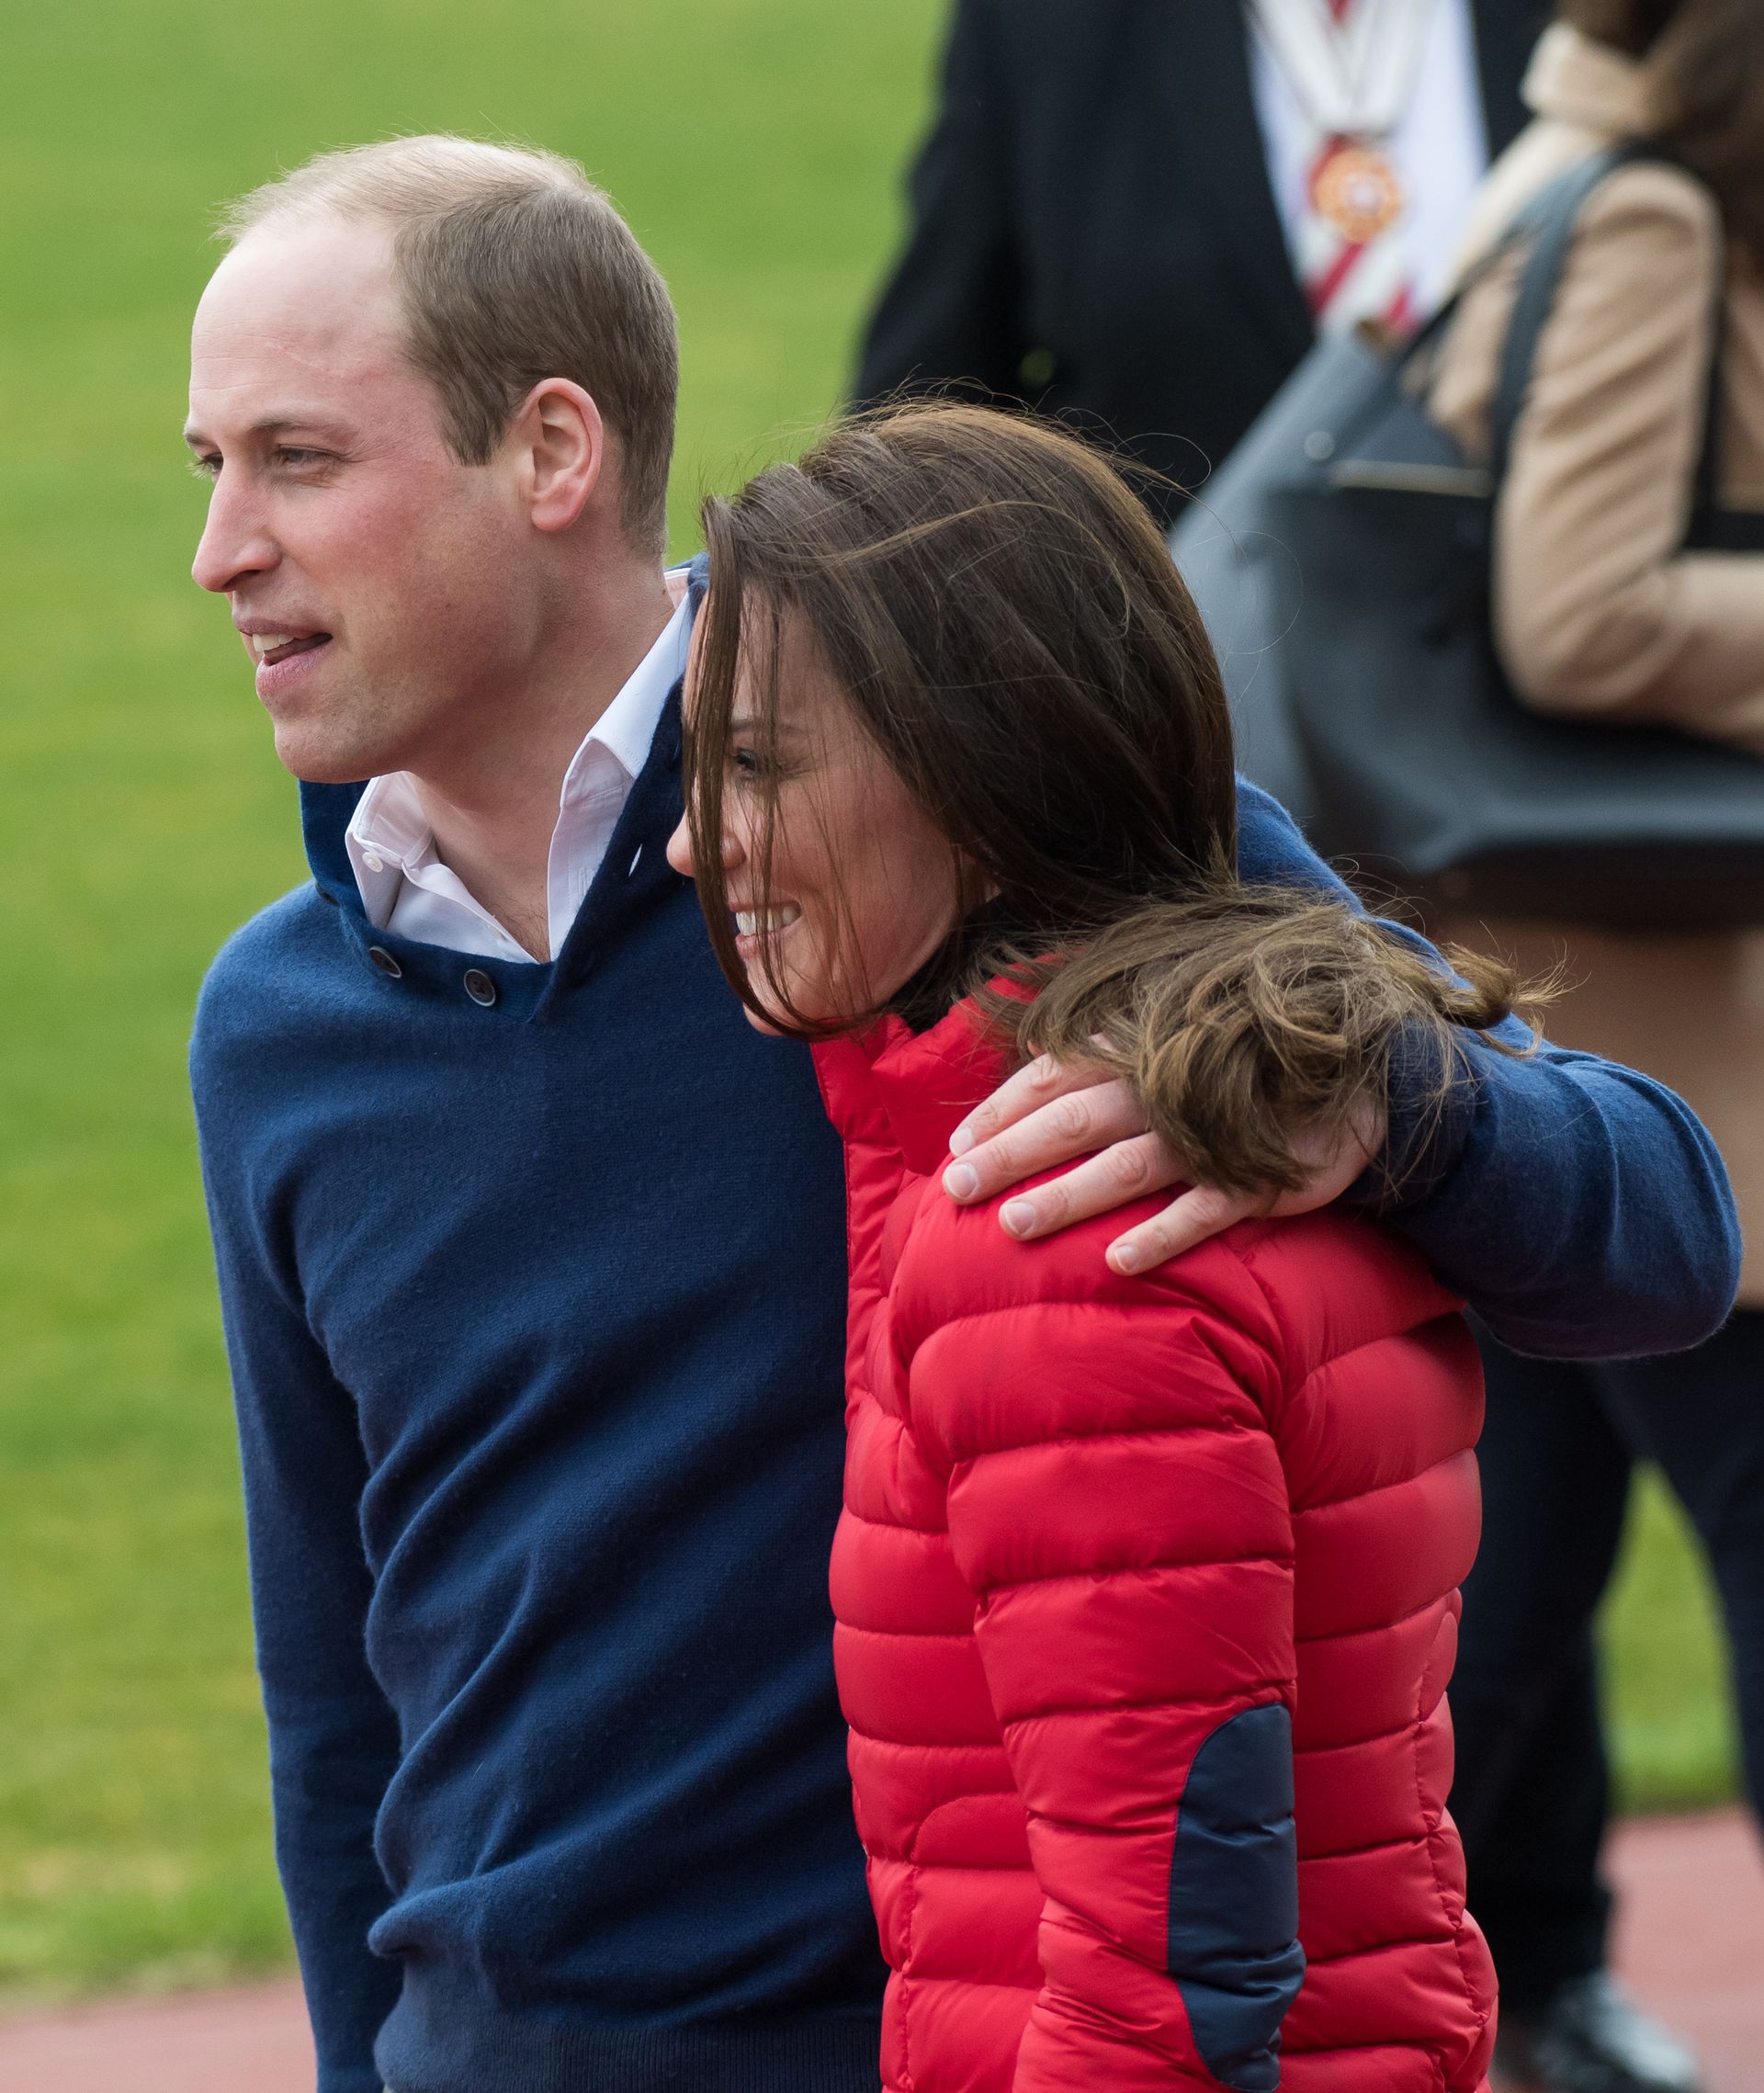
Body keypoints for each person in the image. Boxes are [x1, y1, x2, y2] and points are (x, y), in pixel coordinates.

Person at [185, 135, 1736, 2093]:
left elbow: (1667, 1230)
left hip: (961, 2042)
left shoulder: (943, 832)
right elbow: (336, 1690)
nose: (222, 545)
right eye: (208, 466)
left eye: (297, 459)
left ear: (552, 454)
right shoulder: (278, 1022)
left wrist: (1375, 1095)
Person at [665, 399, 1522, 2089]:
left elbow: (1170, 1985)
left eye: (755, 766)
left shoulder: (1051, 1242)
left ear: (981, 788)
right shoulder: (1252, 1099)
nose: (696, 844)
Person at [1422, 4, 1764, 2086]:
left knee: (1481, 1597)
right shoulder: (1633, 212)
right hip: (1654, 1035)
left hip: (1571, 1021)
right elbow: (1577, 606)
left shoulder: (1593, 170)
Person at [854, 0, 1548, 519]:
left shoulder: (1620, 26)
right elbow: (918, 420)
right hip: (1176, 673)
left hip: (1545, 675)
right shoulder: (1047, 23)